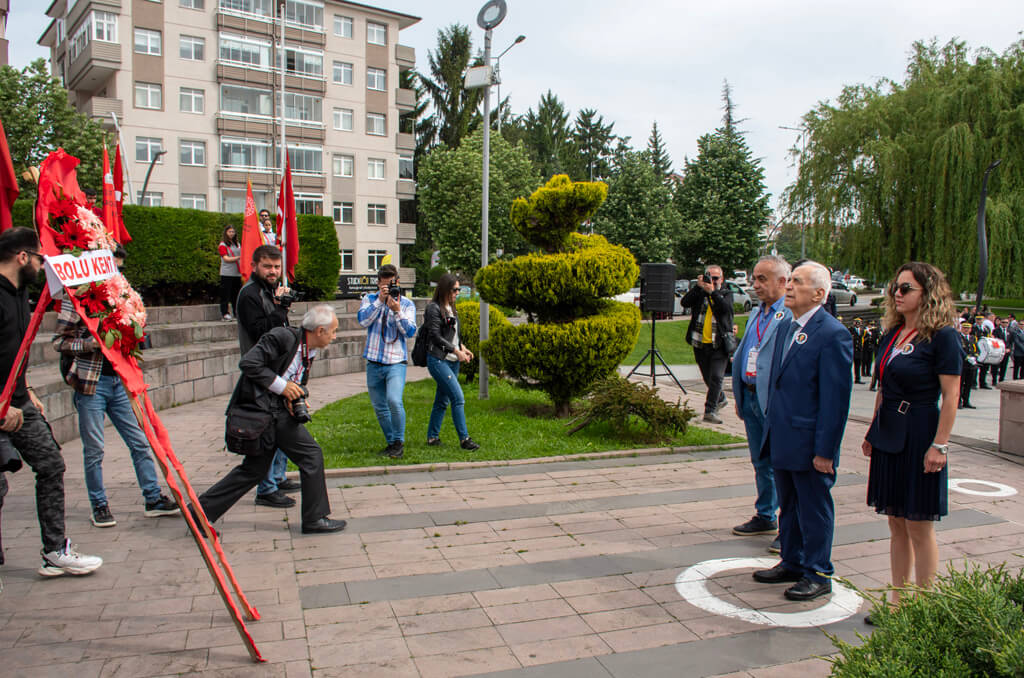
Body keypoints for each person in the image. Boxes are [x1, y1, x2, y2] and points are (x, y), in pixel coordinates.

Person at [52, 245, 179, 528]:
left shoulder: (123, 298)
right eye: (113, 267)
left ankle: (153, 498)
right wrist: (91, 344)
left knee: (139, 440)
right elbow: (59, 342)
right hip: (91, 384)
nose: (117, 273)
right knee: (94, 449)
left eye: (120, 269)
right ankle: (99, 504)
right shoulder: (77, 298)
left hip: (119, 381)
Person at [0, 228, 103, 576]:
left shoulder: (20, 292)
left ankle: (55, 551)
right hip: (1, 408)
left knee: (51, 465)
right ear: (23, 257)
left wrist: (24, 389)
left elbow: (12, 351)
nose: (45, 266)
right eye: (40, 258)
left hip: (17, 401)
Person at [862, 263, 961, 621]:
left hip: (920, 430)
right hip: (889, 428)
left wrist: (941, 445)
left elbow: (951, 396)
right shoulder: (892, 333)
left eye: (906, 288)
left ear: (928, 293)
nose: (897, 294)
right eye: (895, 288)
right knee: (895, 521)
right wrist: (873, 430)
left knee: (919, 523)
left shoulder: (942, 336)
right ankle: (898, 600)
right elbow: (883, 386)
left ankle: (924, 604)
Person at [192, 305, 346, 534]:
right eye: (333, 331)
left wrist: (296, 397)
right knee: (311, 456)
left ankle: (199, 513)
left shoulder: (307, 350)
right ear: (320, 330)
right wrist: (283, 388)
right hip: (264, 412)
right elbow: (249, 363)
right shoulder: (282, 336)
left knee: (253, 470)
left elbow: (291, 379)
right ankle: (314, 519)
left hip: (276, 412)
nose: (334, 337)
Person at [752, 261, 853, 601]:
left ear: (820, 293)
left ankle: (818, 571)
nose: (789, 286)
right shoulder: (787, 326)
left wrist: (825, 451)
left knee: (814, 508)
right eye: (790, 279)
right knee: (790, 506)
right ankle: (792, 561)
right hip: (783, 436)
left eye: (797, 281)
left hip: (810, 442)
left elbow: (835, 400)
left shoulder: (832, 333)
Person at [731, 255, 791, 554]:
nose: (755, 285)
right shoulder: (757, 313)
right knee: (760, 461)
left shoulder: (790, 315)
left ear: (783, 282)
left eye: (762, 279)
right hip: (751, 395)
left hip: (775, 401)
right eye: (754, 279)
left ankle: (788, 524)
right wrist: (739, 394)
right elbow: (746, 352)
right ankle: (765, 515)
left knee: (781, 463)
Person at [235, 245, 300, 508]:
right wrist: (281, 308)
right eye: (267, 266)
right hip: (261, 371)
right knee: (268, 429)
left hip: (277, 367)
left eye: (276, 267)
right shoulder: (249, 294)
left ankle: (278, 476)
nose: (273, 272)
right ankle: (266, 487)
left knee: (284, 422)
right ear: (254, 266)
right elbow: (261, 330)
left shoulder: (269, 291)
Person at [358, 264, 417, 459]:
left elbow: (410, 332)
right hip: (374, 361)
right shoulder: (369, 299)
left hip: (395, 362)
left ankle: (399, 441)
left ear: (397, 282)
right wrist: (380, 302)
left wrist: (397, 311)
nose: (388, 288)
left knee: (394, 400)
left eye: (391, 284)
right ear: (378, 284)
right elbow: (363, 321)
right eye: (384, 285)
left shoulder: (407, 304)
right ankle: (392, 443)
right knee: (380, 407)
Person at [423, 274, 479, 451]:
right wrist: (456, 351)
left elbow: (453, 335)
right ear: (445, 289)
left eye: (458, 290)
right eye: (455, 289)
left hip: (453, 360)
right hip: (439, 360)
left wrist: (463, 348)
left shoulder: (451, 308)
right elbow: (436, 336)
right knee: (458, 397)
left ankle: (432, 437)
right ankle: (465, 439)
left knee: (442, 400)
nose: (457, 293)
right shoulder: (433, 308)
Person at [679, 264, 734, 424]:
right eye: (709, 277)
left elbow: (726, 309)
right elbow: (685, 303)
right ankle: (721, 397)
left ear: (722, 279)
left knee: (717, 377)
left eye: (716, 278)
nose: (712, 280)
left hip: (719, 343)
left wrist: (713, 292)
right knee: (708, 378)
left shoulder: (726, 294)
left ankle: (709, 411)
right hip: (700, 343)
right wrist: (698, 287)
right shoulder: (700, 293)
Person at [218, 225, 242, 321]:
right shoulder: (223, 245)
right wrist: (239, 257)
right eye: (229, 232)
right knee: (225, 295)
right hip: (227, 273)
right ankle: (225, 313)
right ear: (226, 233)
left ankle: (236, 313)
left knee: (236, 294)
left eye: (233, 231)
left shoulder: (237, 244)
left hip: (237, 273)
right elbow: (226, 258)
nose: (232, 233)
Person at [958, 321, 979, 409]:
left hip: (971, 365)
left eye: (968, 328)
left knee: (968, 384)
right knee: (960, 384)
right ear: (961, 328)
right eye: (964, 328)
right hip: (962, 364)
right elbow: (958, 349)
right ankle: (958, 402)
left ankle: (966, 401)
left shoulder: (972, 338)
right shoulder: (958, 338)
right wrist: (967, 357)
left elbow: (976, 349)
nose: (966, 330)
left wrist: (975, 357)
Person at [993, 317, 1010, 384]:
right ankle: (994, 380)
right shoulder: (996, 330)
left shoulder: (1010, 331)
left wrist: (1009, 348)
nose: (1005, 324)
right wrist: (1001, 348)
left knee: (1004, 366)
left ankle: (1001, 379)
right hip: (998, 351)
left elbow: (1010, 341)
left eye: (1006, 322)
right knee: (995, 366)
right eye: (1003, 322)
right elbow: (995, 340)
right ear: (1000, 323)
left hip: (1006, 351)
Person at [849, 318, 867, 384]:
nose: (858, 324)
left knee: (858, 365)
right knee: (850, 365)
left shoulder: (862, 331)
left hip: (859, 350)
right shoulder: (851, 330)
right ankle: (848, 379)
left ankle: (857, 379)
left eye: (859, 322)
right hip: (852, 349)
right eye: (856, 322)